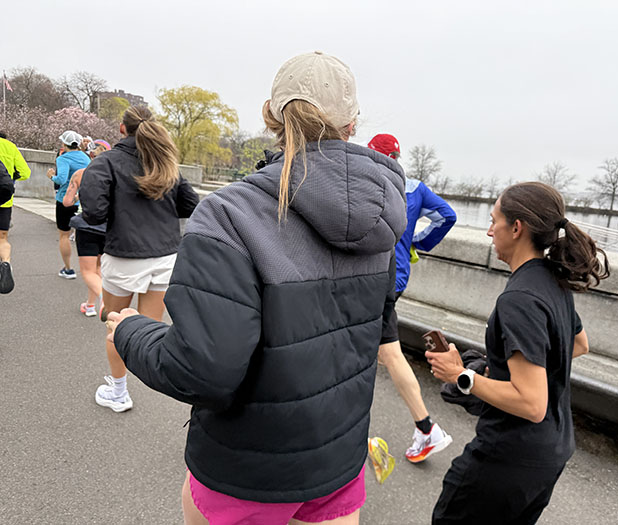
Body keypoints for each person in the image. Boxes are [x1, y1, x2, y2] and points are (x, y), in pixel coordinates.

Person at [106, 51, 406, 525]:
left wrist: (130, 331)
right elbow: (374, 330)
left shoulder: (230, 215)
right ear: (353, 123)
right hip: (337, 461)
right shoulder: (386, 217)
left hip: (248, 471)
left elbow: (202, 369)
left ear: (271, 117)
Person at [427, 181, 610, 524]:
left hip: (508, 458)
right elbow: (579, 343)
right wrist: (511, 370)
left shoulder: (519, 300)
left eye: (494, 221)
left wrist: (460, 376)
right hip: (551, 451)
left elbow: (531, 403)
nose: (489, 231)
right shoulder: (553, 279)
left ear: (516, 228)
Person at [80, 106, 199, 412]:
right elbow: (190, 204)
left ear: (123, 128)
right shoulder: (165, 162)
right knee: (146, 329)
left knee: (115, 324)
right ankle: (150, 381)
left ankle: (119, 392)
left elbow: (94, 213)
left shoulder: (106, 162)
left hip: (124, 256)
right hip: (166, 258)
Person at [368, 133, 458, 463]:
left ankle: (425, 428)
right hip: (398, 276)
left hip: (371, 277)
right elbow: (447, 216)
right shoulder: (415, 188)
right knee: (384, 350)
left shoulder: (369, 180)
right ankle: (425, 428)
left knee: (385, 352)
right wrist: (417, 242)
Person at [63, 140, 111, 317]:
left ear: (90, 155)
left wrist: (78, 196)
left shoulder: (80, 174)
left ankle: (104, 300)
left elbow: (67, 202)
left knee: (88, 271)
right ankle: (90, 305)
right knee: (98, 270)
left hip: (87, 225)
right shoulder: (113, 176)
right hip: (108, 227)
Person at [46, 131, 90, 279]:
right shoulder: (86, 158)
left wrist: (51, 176)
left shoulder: (63, 158)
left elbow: (62, 179)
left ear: (64, 144)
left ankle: (68, 269)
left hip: (66, 200)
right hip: (83, 199)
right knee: (83, 236)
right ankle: (90, 270)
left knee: (64, 235)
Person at [0, 132, 32, 294]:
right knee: (2, 238)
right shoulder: (10, 147)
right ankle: (5, 262)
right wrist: (12, 176)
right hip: (4, 200)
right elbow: (25, 172)